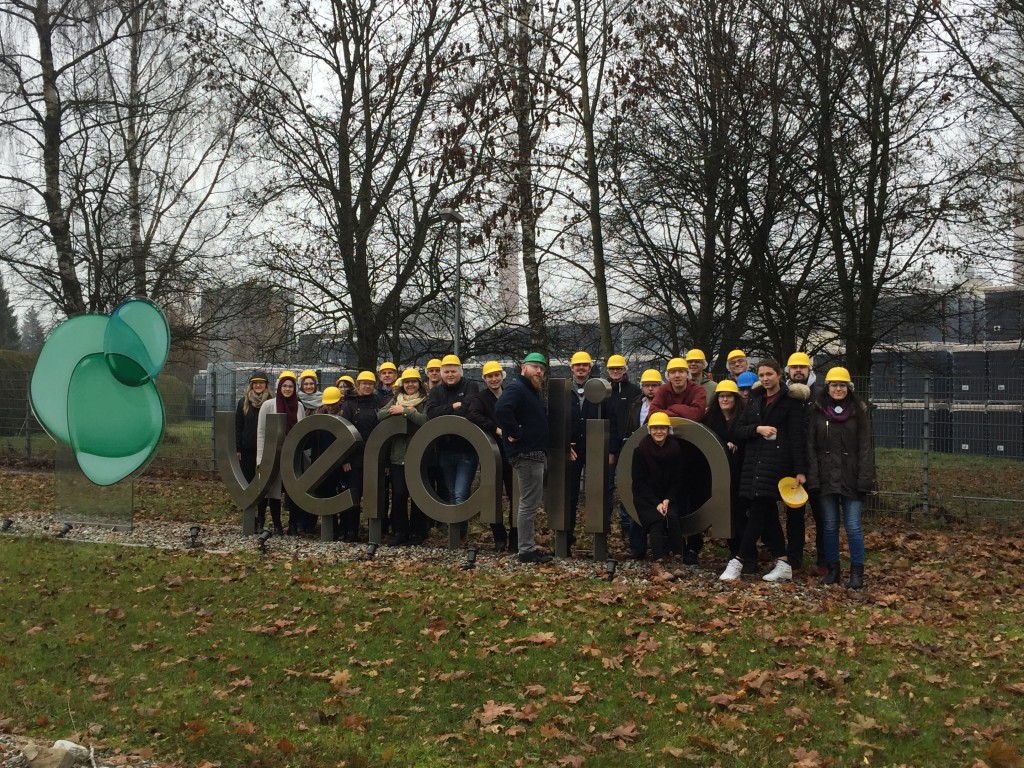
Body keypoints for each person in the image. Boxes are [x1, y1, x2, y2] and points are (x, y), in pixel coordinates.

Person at [719, 359, 808, 582]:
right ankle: (782, 561)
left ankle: (737, 561)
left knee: (758, 512)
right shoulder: (754, 401)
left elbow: (798, 438)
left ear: (779, 375)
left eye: (769, 374)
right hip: (753, 464)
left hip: (776, 465)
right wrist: (757, 429)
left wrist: (800, 470)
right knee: (766, 515)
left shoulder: (791, 402)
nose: (766, 378)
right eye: (762, 375)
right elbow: (737, 430)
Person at [806, 366, 873, 589]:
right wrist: (813, 478)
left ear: (848, 388)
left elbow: (865, 449)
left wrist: (865, 480)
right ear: (827, 388)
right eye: (834, 385)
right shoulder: (817, 412)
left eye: (842, 385)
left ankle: (857, 572)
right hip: (826, 478)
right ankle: (833, 569)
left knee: (853, 526)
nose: (838, 389)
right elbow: (811, 448)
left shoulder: (859, 413)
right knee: (830, 526)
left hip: (852, 478)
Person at [495, 353, 552, 564]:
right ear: (523, 369)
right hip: (526, 454)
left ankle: (527, 547)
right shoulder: (517, 388)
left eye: (542, 369)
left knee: (531, 502)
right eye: (535, 367)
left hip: (534, 453)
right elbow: (501, 408)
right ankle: (526, 550)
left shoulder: (531, 391)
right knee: (528, 503)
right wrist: (516, 431)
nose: (539, 371)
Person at [426, 355, 481, 528]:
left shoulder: (471, 386)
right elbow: (431, 413)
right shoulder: (436, 391)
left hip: (467, 451)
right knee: (450, 494)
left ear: (460, 372)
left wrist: (449, 411)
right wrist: (453, 406)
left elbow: (469, 409)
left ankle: (460, 533)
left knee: (460, 494)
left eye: (453, 371)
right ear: (442, 374)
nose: (450, 375)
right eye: (447, 372)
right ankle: (455, 535)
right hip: (445, 449)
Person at [466, 361, 516, 551]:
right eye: (490, 376)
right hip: (492, 454)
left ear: (502, 376)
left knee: (515, 496)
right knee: (492, 497)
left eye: (497, 375)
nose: (494, 379)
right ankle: (499, 537)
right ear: (484, 378)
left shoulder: (511, 394)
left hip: (513, 454)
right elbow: (473, 415)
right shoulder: (480, 398)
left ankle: (515, 537)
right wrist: (495, 428)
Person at [378, 369, 430, 546]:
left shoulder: (426, 400)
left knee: (418, 496)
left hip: (419, 455)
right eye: (407, 382)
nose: (410, 385)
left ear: (419, 383)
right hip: (397, 456)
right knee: (399, 495)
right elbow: (380, 415)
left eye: (413, 382)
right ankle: (400, 531)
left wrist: (406, 411)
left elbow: (426, 420)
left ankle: (418, 532)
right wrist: (400, 409)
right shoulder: (395, 399)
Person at [256, 371, 306, 536]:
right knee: (274, 490)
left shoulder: (299, 406)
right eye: (284, 386)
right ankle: (277, 525)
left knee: (293, 490)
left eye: (291, 386)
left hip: (292, 455)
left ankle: (292, 524)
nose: (287, 389)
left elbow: (302, 431)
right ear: (279, 387)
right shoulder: (268, 405)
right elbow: (261, 432)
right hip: (273, 454)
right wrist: (261, 458)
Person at [703, 379, 746, 564]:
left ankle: (744, 552)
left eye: (729, 396)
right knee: (726, 513)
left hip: (741, 472)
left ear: (735, 398)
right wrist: (723, 444)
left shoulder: (744, 417)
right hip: (719, 476)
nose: (725, 400)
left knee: (740, 513)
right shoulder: (711, 418)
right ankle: (733, 551)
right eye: (722, 396)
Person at [631, 412, 685, 561]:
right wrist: (656, 503)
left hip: (667, 495)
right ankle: (658, 561)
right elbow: (639, 482)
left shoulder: (676, 450)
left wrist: (668, 499)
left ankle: (678, 559)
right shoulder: (640, 451)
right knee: (656, 520)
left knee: (673, 517)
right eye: (655, 428)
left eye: (662, 428)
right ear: (649, 430)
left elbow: (677, 479)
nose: (658, 432)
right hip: (646, 498)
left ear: (668, 430)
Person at [566, 350, 606, 550]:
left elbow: (610, 420)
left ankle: (599, 542)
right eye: (577, 365)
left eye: (585, 365)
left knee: (598, 494)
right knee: (569, 495)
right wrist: (564, 444)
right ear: (571, 368)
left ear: (590, 368)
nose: (581, 368)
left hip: (595, 449)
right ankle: (566, 538)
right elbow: (555, 419)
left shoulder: (600, 389)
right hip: (571, 450)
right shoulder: (564, 390)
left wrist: (610, 449)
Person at [620, 368, 662, 557]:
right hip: (638, 455)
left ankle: (661, 547)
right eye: (647, 385)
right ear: (642, 387)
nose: (650, 389)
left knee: (658, 500)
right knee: (636, 498)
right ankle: (637, 547)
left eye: (654, 385)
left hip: (658, 456)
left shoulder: (664, 405)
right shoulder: (635, 403)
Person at [785, 351, 820, 572]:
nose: (798, 371)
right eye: (794, 367)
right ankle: (794, 558)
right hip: (791, 464)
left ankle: (824, 559)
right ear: (788, 370)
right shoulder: (784, 394)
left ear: (809, 369)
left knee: (822, 515)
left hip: (817, 465)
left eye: (802, 367)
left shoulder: (821, 394)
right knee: (794, 516)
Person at [337, 371, 381, 542]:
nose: (367, 386)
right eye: (363, 383)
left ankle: (374, 533)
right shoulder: (349, 405)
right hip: (354, 460)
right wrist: (344, 459)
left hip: (374, 459)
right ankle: (350, 530)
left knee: (373, 498)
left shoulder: (380, 403)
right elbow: (342, 433)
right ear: (358, 385)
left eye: (370, 383)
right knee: (352, 496)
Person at [605, 354, 641, 539]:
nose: (616, 372)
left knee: (628, 484)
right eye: (612, 369)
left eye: (619, 369)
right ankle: (606, 522)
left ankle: (627, 525)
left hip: (629, 443)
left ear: (625, 370)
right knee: (608, 485)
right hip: (610, 444)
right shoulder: (605, 391)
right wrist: (610, 448)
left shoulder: (635, 390)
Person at [234, 370, 271, 533]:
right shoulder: (243, 402)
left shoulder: (271, 402)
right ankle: (250, 518)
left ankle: (261, 519)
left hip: (264, 452)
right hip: (248, 451)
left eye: (261, 383)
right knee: (248, 485)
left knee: (262, 487)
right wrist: (237, 448)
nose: (258, 385)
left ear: (266, 385)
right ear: (251, 385)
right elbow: (238, 427)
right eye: (255, 383)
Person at [293, 369, 323, 534]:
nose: (309, 386)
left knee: (315, 485)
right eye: (306, 383)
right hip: (300, 449)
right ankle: (299, 521)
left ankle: (311, 521)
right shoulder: (297, 402)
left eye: (311, 383)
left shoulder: (323, 401)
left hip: (318, 449)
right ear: (301, 385)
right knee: (300, 485)